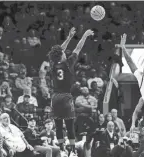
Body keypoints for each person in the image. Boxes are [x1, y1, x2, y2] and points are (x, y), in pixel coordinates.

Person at [49, 26, 94, 156]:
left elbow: (58, 50)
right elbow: (78, 48)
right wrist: (84, 36)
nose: (65, 52)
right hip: (66, 96)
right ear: (61, 56)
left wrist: (69, 37)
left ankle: (62, 149)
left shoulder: (53, 64)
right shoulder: (68, 62)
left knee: (58, 125)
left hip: (55, 97)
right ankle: (73, 151)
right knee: (69, 124)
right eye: (63, 53)